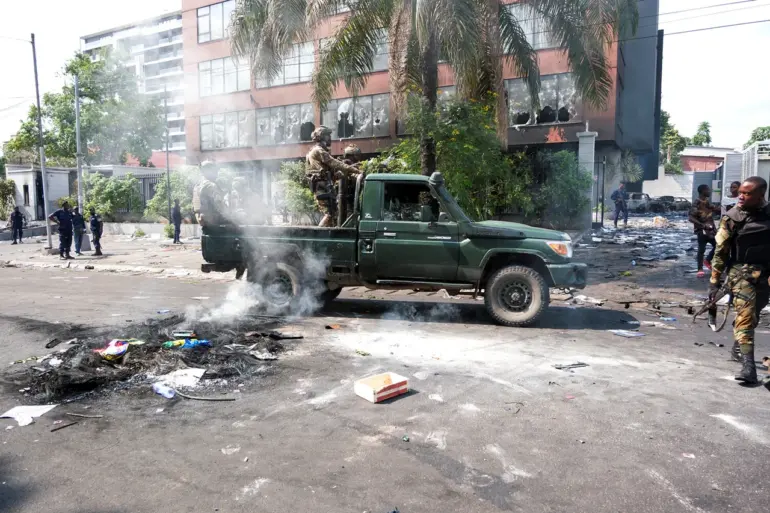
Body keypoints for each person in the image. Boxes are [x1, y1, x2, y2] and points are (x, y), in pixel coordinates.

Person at [710, 176, 770, 384]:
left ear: (760, 195)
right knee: (745, 316)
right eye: (741, 192)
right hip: (741, 274)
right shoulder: (732, 218)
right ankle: (748, 367)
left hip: (765, 274)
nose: (741, 196)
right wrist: (714, 282)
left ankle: (739, 345)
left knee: (753, 315)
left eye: (747, 193)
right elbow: (720, 252)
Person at [305, 126, 359, 227]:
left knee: (333, 215)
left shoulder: (320, 150)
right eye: (327, 135)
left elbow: (332, 169)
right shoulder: (318, 151)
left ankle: (327, 234)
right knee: (329, 215)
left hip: (325, 186)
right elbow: (334, 163)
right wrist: (355, 170)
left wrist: (348, 172)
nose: (330, 138)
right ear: (321, 137)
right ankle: (318, 234)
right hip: (322, 187)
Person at [689, 184, 718, 278]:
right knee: (701, 249)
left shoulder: (707, 202)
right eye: (708, 190)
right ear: (703, 191)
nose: (710, 191)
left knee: (718, 246)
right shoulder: (697, 202)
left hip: (711, 230)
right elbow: (691, 218)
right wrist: (702, 225)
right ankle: (700, 269)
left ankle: (708, 260)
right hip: (702, 230)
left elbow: (714, 208)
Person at [192, 161, 226, 228]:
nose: (217, 173)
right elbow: (220, 205)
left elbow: (196, 206)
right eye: (215, 171)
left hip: (202, 221)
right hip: (213, 224)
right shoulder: (211, 186)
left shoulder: (197, 186)